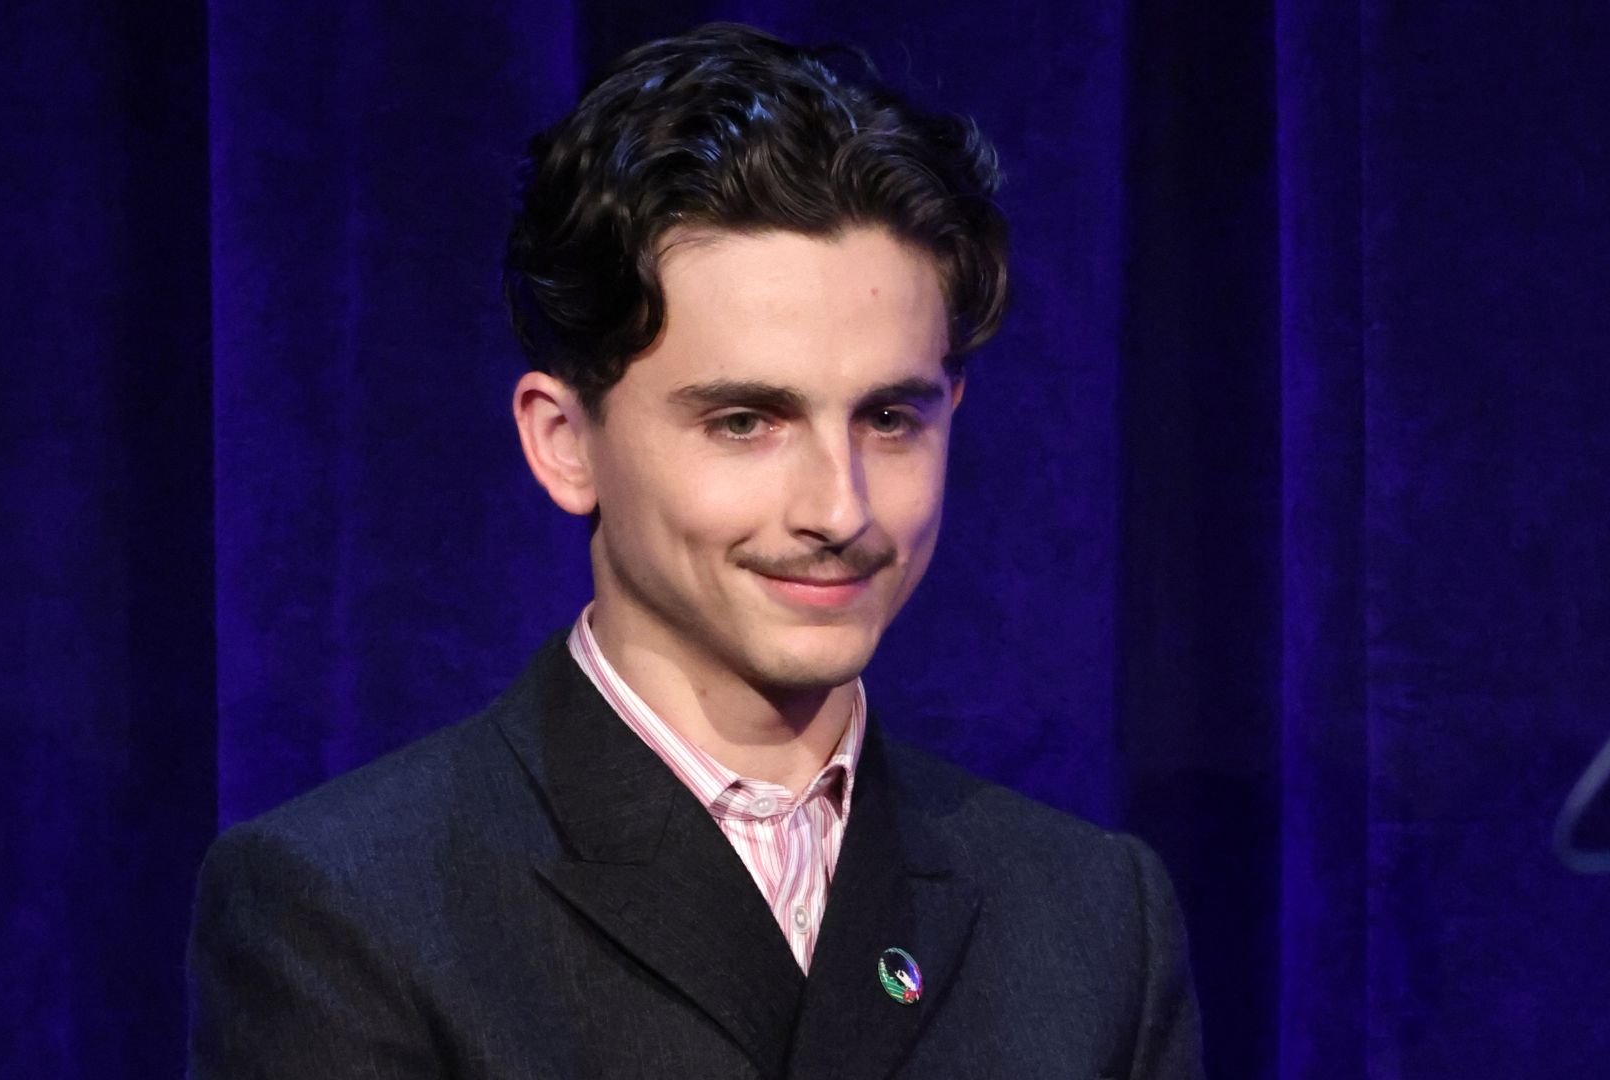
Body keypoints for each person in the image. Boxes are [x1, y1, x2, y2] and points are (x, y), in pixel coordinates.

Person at [187, 23, 1202, 1079]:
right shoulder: (349, 907)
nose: (838, 507)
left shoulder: (1093, 920)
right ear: (564, 443)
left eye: (890, 418)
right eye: (745, 422)